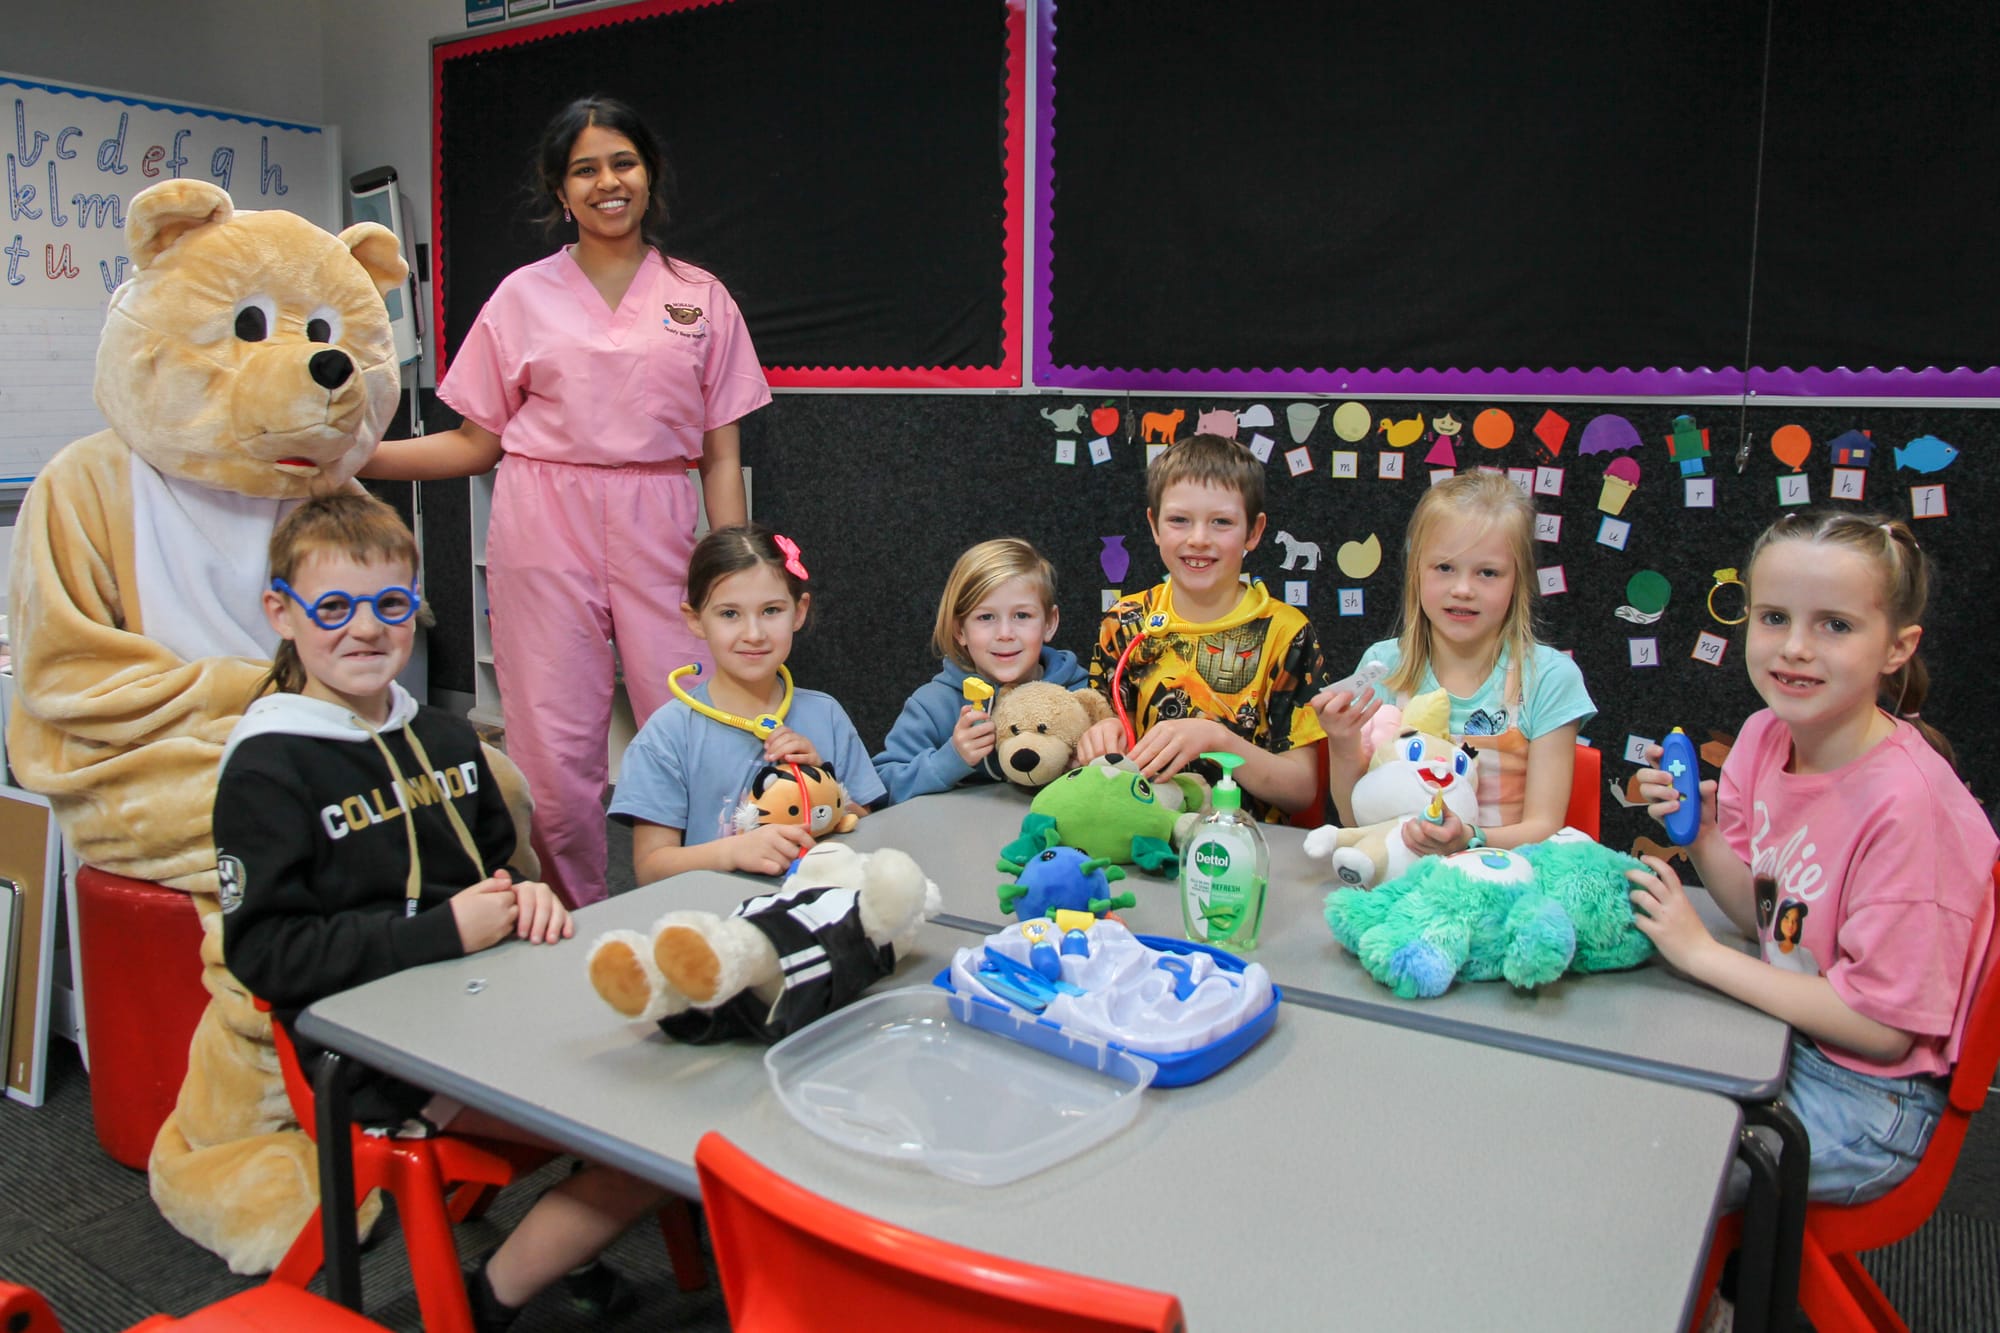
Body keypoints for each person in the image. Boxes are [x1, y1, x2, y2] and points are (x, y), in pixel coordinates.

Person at [216, 494, 665, 1331]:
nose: (365, 629)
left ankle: (567, 1241)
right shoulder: (268, 767)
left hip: (484, 1003)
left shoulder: (449, 738)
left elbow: (493, 863)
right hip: (365, 1055)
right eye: (334, 608)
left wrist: (523, 889)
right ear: (282, 611)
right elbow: (267, 953)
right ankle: (488, 1295)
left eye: (391, 605)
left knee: (667, 1056)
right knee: (646, 1120)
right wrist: (443, 932)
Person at [364, 95, 771, 908]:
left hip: (662, 514)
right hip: (542, 520)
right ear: (561, 191)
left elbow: (722, 456)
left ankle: (718, 906)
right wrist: (356, 456)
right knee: (553, 743)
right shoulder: (521, 297)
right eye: (584, 169)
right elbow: (475, 444)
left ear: (648, 175)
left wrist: (739, 577)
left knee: (701, 718)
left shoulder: (701, 296)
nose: (607, 182)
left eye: (622, 162)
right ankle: (573, 917)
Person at [1629, 511, 1996, 1214]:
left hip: (1870, 1103)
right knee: (1621, 1094)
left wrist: (1700, 954)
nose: (1794, 648)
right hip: (1790, 1038)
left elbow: (1883, 1030)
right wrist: (1705, 834)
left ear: (1898, 647)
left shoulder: (1908, 807)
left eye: (1835, 624)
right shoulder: (1767, 737)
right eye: (1773, 617)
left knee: (1655, 1162)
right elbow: (1765, 917)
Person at [1313, 469, 1594, 853]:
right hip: (1402, 883)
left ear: (1519, 581)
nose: (1462, 589)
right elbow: (1354, 818)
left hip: (1501, 881)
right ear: (1416, 572)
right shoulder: (1383, 664)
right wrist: (1343, 743)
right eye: (1444, 567)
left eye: (1488, 573)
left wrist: (1470, 838)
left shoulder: (1548, 678)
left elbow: (1544, 827)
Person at [611, 525, 886, 880]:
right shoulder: (667, 736)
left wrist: (823, 779)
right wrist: (733, 852)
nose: (754, 634)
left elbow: (865, 828)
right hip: (719, 922)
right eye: (729, 614)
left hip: (817, 911)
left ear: (799, 612)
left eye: (771, 610)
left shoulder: (826, 714)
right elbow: (651, 868)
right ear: (695, 619)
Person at [1075, 433, 1326, 822]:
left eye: (1221, 522)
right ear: (1154, 525)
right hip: (1139, 837)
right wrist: (1097, 735)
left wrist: (1217, 739)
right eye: (1178, 520)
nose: (1198, 539)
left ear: (1254, 531)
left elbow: (1300, 790)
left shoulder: (1286, 633)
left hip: (1241, 851)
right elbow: (1094, 724)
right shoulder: (1123, 622)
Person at [874, 537, 1088, 803]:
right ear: (959, 630)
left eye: (1022, 616)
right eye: (986, 617)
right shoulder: (933, 705)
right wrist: (950, 759)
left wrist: (1089, 758)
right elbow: (881, 788)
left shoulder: (1080, 692)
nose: (1005, 634)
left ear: (1049, 623)